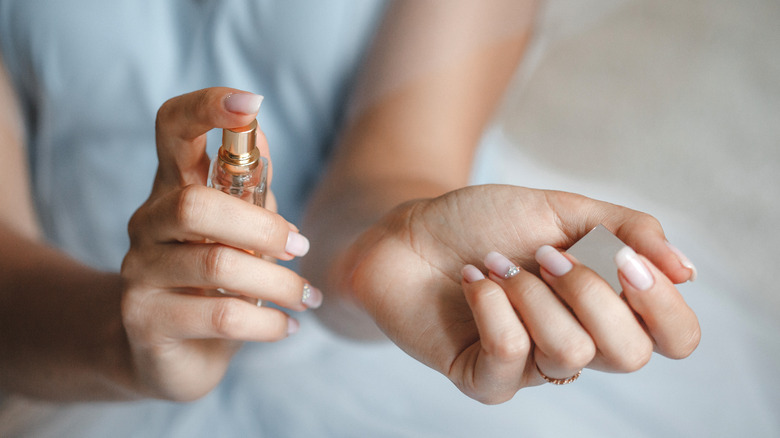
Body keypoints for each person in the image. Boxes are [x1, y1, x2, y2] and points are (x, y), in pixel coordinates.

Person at [0, 0, 699, 433]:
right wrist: (129, 342)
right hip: (82, 338)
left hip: (367, 355)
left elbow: (389, 169)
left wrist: (387, 250)